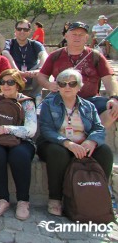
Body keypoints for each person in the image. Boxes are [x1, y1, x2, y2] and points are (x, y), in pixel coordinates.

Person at [36, 68, 112, 216]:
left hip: (83, 143)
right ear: (58, 86)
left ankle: (99, 193)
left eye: (72, 83)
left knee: (105, 152)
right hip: (56, 144)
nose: (67, 87)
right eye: (63, 84)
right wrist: (67, 143)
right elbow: (46, 130)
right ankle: (55, 198)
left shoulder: (88, 106)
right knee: (57, 153)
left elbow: (98, 128)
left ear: (79, 86)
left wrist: (91, 141)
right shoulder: (49, 104)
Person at [37, 22, 118, 128]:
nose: (77, 37)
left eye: (81, 35)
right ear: (66, 36)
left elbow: (109, 79)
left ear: (86, 38)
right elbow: (41, 76)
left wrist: (114, 97)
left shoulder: (96, 56)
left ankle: (93, 135)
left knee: (113, 109)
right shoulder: (55, 56)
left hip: (90, 100)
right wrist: (48, 85)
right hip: (61, 99)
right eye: (74, 34)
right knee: (41, 112)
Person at [0, 69, 37, 220]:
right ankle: (2, 199)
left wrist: (5, 129)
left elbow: (30, 130)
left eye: (10, 82)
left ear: (18, 85)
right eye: (2, 82)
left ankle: (23, 200)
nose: (6, 86)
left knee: (19, 155)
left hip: (22, 141)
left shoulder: (27, 103)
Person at [2, 20, 48, 99]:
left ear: (29, 31)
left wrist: (39, 69)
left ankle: (35, 97)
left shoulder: (35, 44)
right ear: (15, 30)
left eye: (25, 29)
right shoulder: (9, 43)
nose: (22, 31)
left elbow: (44, 55)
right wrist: (17, 71)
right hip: (14, 74)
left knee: (41, 71)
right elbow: (5, 53)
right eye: (19, 29)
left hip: (31, 74)